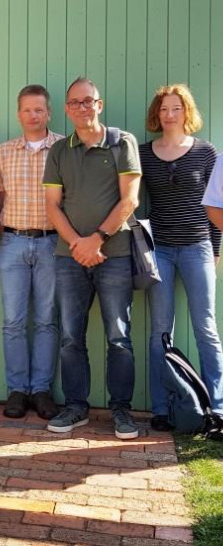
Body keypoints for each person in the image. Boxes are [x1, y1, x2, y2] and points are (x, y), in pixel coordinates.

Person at [43, 77, 142, 439]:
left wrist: (96, 239)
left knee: (119, 336)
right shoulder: (59, 151)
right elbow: (52, 205)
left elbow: (129, 200)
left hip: (114, 253)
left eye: (89, 101)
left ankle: (122, 411)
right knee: (71, 336)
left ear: (100, 105)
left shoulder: (122, 142)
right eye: (75, 102)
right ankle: (76, 407)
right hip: (69, 257)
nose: (82, 107)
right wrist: (77, 244)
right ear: (67, 109)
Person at [141, 84, 223, 430]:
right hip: (159, 251)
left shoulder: (207, 153)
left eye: (176, 108)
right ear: (156, 115)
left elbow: (216, 207)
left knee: (206, 328)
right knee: (161, 329)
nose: (170, 114)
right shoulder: (144, 154)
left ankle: (217, 407)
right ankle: (161, 408)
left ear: (186, 112)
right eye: (164, 109)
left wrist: (215, 253)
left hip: (197, 248)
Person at [0, 85, 63, 420]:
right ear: (18, 113)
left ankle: (42, 390)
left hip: (52, 243)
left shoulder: (63, 148)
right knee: (13, 321)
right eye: (26, 110)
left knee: (48, 320)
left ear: (48, 113)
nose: (33, 115)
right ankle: (17, 390)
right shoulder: (4, 152)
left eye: (39, 109)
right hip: (14, 243)